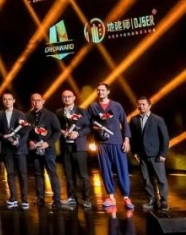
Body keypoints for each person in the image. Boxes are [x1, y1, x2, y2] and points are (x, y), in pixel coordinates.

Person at [88, 82, 134, 210]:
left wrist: (126, 140)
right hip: (101, 144)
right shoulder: (93, 107)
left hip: (117, 142)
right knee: (105, 170)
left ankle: (126, 197)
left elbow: (124, 123)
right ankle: (111, 197)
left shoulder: (116, 106)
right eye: (98, 90)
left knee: (122, 169)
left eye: (103, 90)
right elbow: (89, 124)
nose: (100, 92)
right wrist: (97, 128)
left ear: (108, 91)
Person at [130, 97, 170, 211]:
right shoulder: (134, 119)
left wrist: (163, 153)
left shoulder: (158, 119)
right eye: (139, 104)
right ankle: (151, 199)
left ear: (149, 105)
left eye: (143, 104)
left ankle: (164, 201)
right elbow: (134, 138)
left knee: (161, 179)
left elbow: (165, 138)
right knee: (146, 179)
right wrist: (135, 151)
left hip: (156, 155)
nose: (141, 106)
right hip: (142, 155)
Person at [26, 93, 63, 210]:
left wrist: (48, 143)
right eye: (33, 100)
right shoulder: (28, 116)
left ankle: (57, 199)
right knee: (38, 174)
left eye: (38, 100)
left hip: (48, 150)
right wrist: (29, 141)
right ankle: (40, 198)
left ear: (43, 101)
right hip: (35, 150)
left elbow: (57, 131)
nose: (36, 102)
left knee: (52, 173)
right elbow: (26, 132)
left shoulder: (50, 115)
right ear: (31, 102)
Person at [57, 89, 92, 209]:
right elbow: (56, 127)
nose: (67, 99)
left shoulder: (82, 111)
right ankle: (71, 197)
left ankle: (86, 198)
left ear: (74, 98)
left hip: (79, 147)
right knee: (68, 174)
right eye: (64, 97)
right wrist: (61, 131)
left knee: (83, 174)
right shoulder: (59, 112)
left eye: (69, 96)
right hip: (66, 147)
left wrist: (78, 133)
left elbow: (88, 127)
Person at [0, 91, 30, 209]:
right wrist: (4, 137)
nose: (7, 101)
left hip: (20, 149)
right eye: (5, 99)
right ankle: (13, 198)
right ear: (2, 101)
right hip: (7, 149)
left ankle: (25, 200)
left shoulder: (21, 114)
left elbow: (26, 131)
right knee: (10, 174)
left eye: (9, 99)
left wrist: (18, 141)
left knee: (22, 174)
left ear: (13, 101)